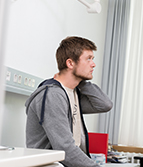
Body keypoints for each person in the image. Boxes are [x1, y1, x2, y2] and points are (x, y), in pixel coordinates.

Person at [25, 36, 113, 167]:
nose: (93, 64)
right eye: (88, 59)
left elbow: (104, 104)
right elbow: (64, 148)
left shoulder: (73, 92)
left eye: (93, 59)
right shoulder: (52, 94)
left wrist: (81, 81)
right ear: (70, 63)